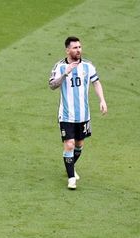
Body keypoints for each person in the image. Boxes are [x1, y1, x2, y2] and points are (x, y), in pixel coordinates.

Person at [49, 36, 107, 190]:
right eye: (75, 48)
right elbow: (52, 85)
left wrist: (102, 100)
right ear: (67, 50)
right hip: (67, 115)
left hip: (83, 115)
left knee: (79, 144)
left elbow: (96, 82)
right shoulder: (59, 66)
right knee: (69, 144)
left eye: (79, 47)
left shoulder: (88, 66)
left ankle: (70, 166)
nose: (78, 50)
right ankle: (71, 178)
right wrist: (65, 73)